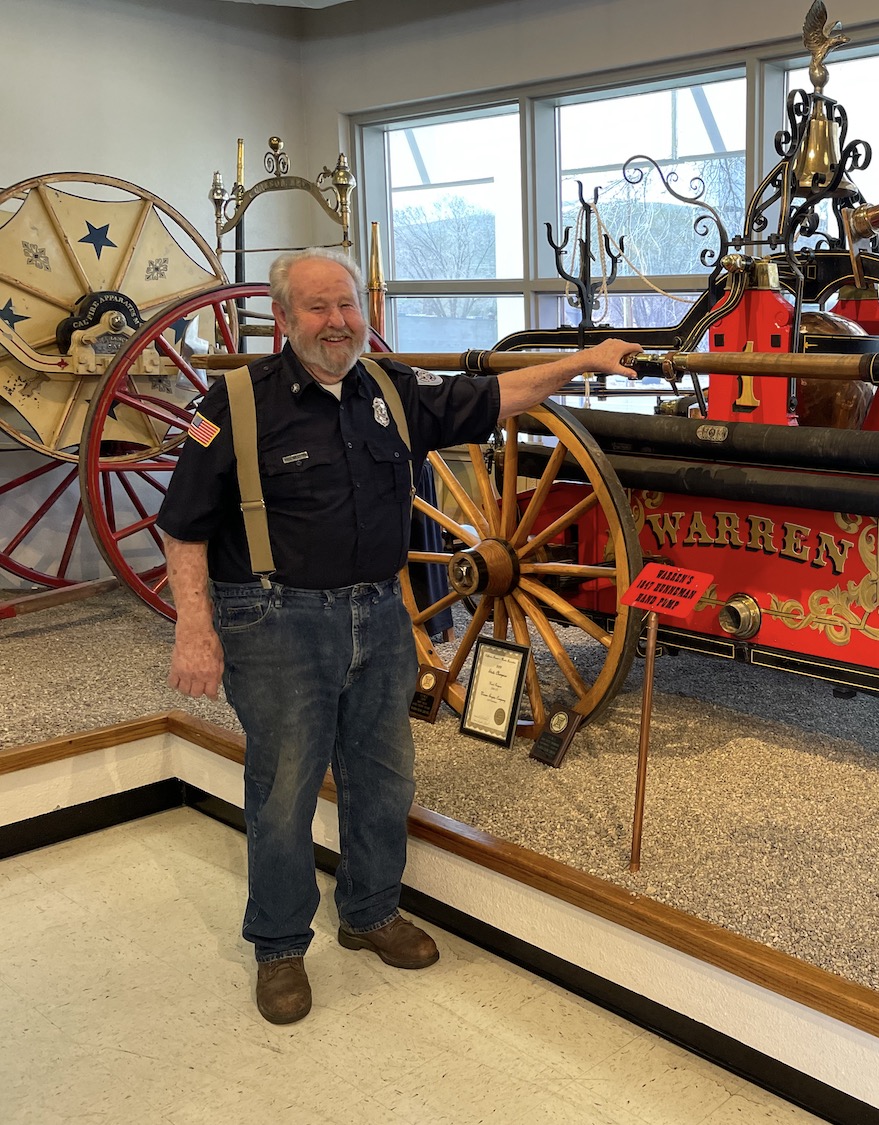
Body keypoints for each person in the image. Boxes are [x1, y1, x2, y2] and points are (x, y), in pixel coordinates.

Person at [157, 247, 640, 1025]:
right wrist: (194, 630)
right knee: (283, 793)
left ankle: (370, 911)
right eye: (317, 308)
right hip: (279, 621)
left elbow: (495, 396)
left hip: (381, 616)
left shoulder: (389, 388)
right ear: (284, 320)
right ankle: (280, 946)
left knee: (384, 776)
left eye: (346, 305)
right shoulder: (236, 406)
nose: (337, 322)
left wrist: (584, 359)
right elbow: (182, 528)